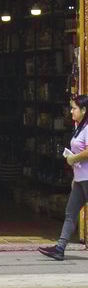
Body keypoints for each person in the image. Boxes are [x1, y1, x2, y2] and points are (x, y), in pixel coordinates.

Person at [40, 94, 88, 261]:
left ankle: (60, 247)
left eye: (74, 108)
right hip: (80, 179)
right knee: (70, 213)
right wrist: (75, 176)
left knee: (71, 213)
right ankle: (60, 248)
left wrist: (73, 159)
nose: (71, 111)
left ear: (83, 110)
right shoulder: (80, 126)